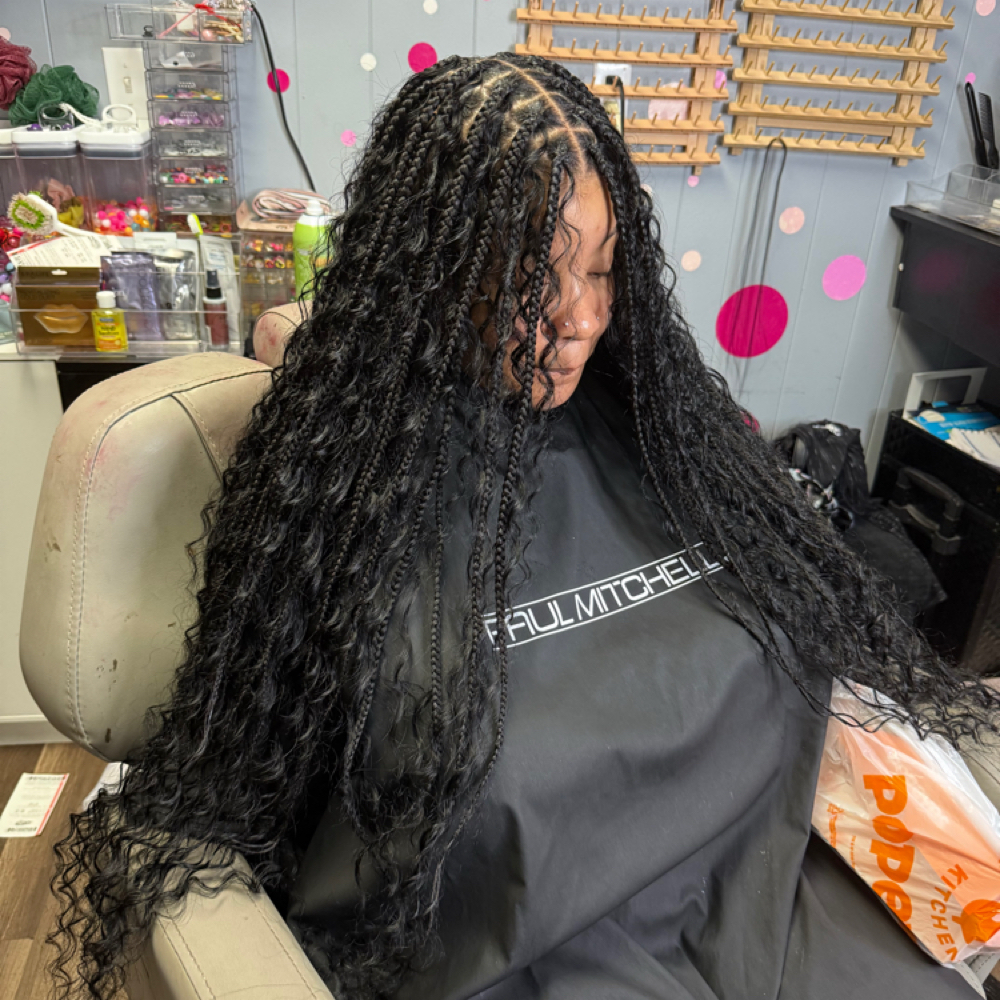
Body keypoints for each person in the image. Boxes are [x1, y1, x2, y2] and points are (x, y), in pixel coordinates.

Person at [50, 54, 999, 1000]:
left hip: (771, 894)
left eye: (602, 268)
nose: (582, 317)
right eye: (532, 278)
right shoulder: (341, 493)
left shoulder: (652, 427)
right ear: (433, 271)